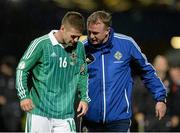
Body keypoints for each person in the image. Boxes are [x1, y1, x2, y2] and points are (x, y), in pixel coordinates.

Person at [81, 10, 167, 132]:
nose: (91, 36)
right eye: (89, 32)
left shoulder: (126, 44)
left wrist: (160, 98)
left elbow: (147, 71)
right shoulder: (82, 48)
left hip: (119, 121)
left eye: (95, 33)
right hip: (90, 120)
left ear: (107, 31)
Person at [16, 11, 90, 133]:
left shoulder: (79, 47)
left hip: (65, 115)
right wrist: (24, 96)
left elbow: (83, 74)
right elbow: (22, 70)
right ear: (62, 28)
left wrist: (84, 98)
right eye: (73, 36)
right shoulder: (41, 44)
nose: (76, 40)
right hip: (39, 112)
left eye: (78, 36)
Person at [0, 55, 22, 131]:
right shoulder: (2, 77)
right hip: (4, 110)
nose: (2, 68)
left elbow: (20, 95)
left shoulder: (18, 78)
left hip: (14, 110)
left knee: (13, 129)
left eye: (3, 66)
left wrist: (7, 100)